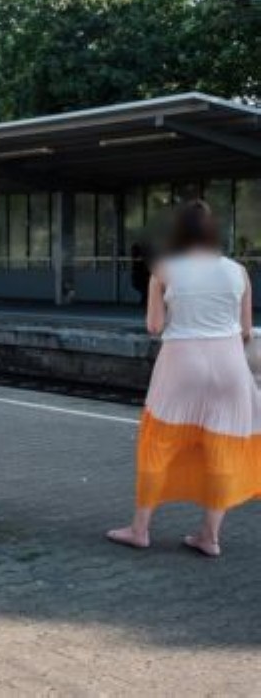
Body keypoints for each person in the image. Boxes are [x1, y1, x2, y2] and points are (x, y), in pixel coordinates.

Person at [107, 201, 259, 557]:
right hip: (229, 365)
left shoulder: (164, 269)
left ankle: (139, 530)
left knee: (159, 443)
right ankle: (210, 537)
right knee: (222, 446)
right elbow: (246, 330)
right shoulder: (238, 272)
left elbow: (154, 326)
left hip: (181, 364)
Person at [131, 242, 151, 306]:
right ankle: (144, 300)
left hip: (143, 275)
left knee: (145, 288)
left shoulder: (144, 257)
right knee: (143, 288)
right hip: (140, 275)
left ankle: (144, 300)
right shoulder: (137, 257)